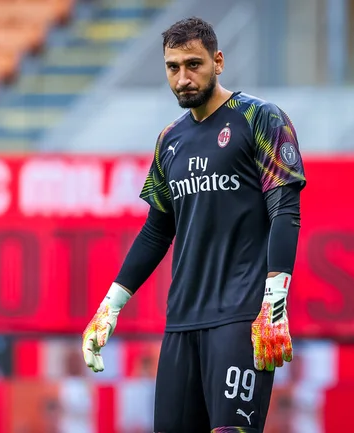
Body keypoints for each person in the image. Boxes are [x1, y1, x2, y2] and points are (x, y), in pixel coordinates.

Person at [82, 16, 306, 433]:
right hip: (181, 322)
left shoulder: (260, 119)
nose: (183, 78)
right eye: (172, 67)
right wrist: (108, 309)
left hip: (241, 320)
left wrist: (274, 305)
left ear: (218, 61)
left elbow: (285, 211)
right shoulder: (169, 140)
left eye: (193, 64)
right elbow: (156, 230)